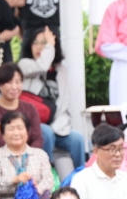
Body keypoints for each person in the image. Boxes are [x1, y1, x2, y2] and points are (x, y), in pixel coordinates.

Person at [19, 27, 88, 169]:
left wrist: (59, 124)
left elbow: (63, 103)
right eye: (35, 43)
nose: (39, 47)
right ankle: (46, 173)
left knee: (78, 139)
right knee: (46, 132)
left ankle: (81, 176)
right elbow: (42, 66)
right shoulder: (24, 65)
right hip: (32, 124)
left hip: (57, 125)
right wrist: (50, 46)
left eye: (44, 42)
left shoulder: (62, 70)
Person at [0, 111, 53, 199]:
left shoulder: (40, 154)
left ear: (27, 132)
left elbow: (48, 180)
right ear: (3, 134)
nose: (16, 133)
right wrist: (14, 180)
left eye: (20, 128)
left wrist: (33, 191)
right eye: (11, 129)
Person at [0, 63, 45, 150]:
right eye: (9, 82)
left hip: (29, 158)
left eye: (18, 82)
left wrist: (28, 156)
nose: (14, 87)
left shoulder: (30, 108)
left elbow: (37, 139)